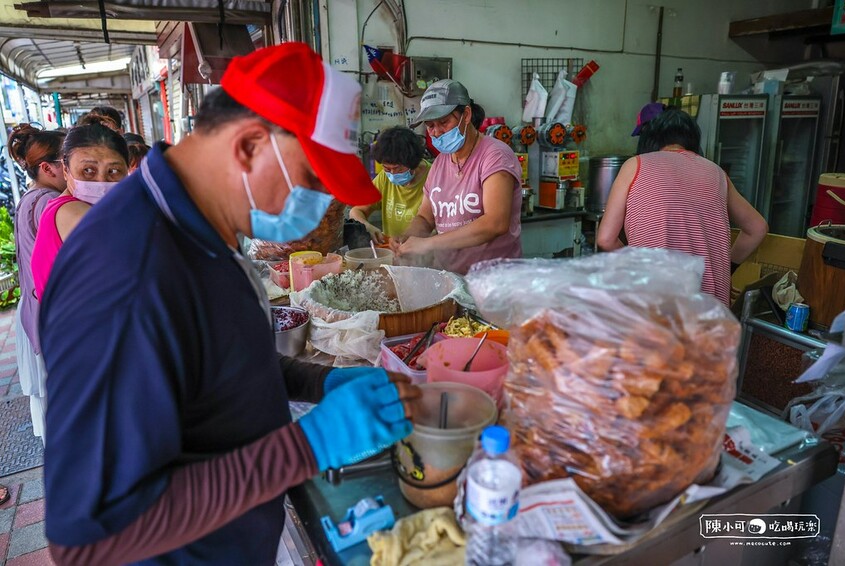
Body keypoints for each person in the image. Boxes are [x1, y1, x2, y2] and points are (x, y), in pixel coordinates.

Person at [40, 42, 421, 565]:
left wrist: (317, 381)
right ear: (248, 147)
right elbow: (88, 538)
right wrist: (305, 448)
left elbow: (207, 358)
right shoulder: (128, 276)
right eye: (311, 181)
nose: (317, 208)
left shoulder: (197, 228)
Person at [597, 107, 768, 305]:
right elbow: (757, 228)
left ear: (649, 140)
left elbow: (606, 239)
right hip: (711, 307)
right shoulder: (716, 173)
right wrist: (725, 269)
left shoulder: (635, 165)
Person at [392, 80, 522, 274]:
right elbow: (425, 217)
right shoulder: (439, 164)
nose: (436, 132)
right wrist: (408, 238)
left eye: (444, 122)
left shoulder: (495, 156)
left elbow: (495, 223)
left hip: (493, 280)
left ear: (466, 115)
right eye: (430, 126)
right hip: (452, 276)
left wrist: (428, 244)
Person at [8, 124, 66, 442]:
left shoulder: (31, 197)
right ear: (47, 167)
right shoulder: (48, 202)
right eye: (66, 161)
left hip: (35, 311)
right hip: (49, 313)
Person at [31, 124, 129, 300]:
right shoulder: (72, 213)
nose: (101, 181)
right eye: (88, 170)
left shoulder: (56, 209)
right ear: (66, 170)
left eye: (113, 171)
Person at [349, 126, 430, 242]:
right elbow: (356, 211)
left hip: (425, 253)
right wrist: (366, 226)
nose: (393, 174)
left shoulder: (433, 177)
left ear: (414, 163)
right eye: (387, 168)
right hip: (392, 251)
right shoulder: (384, 178)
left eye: (399, 169)